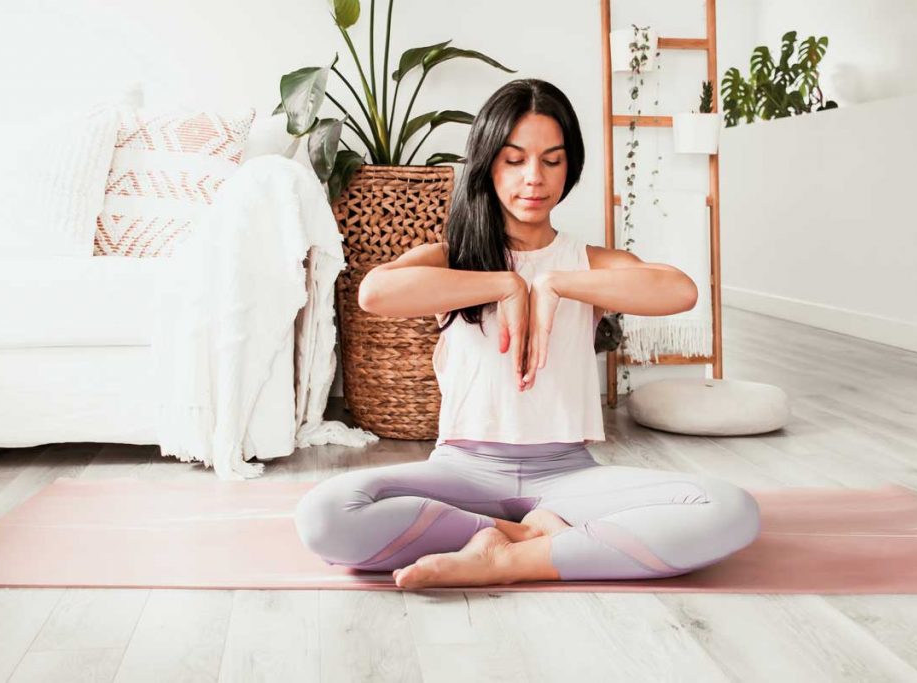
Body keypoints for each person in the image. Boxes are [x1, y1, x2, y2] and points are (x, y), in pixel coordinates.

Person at [294, 78, 761, 590]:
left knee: (731, 509)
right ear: (488, 162)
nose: (533, 178)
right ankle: (523, 535)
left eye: (552, 160)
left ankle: (504, 558)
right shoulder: (454, 260)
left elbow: (679, 291)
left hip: (568, 475)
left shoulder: (587, 264)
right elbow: (376, 293)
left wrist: (556, 284)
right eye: (514, 160)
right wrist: (507, 285)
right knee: (324, 515)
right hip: (461, 474)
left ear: (570, 166)